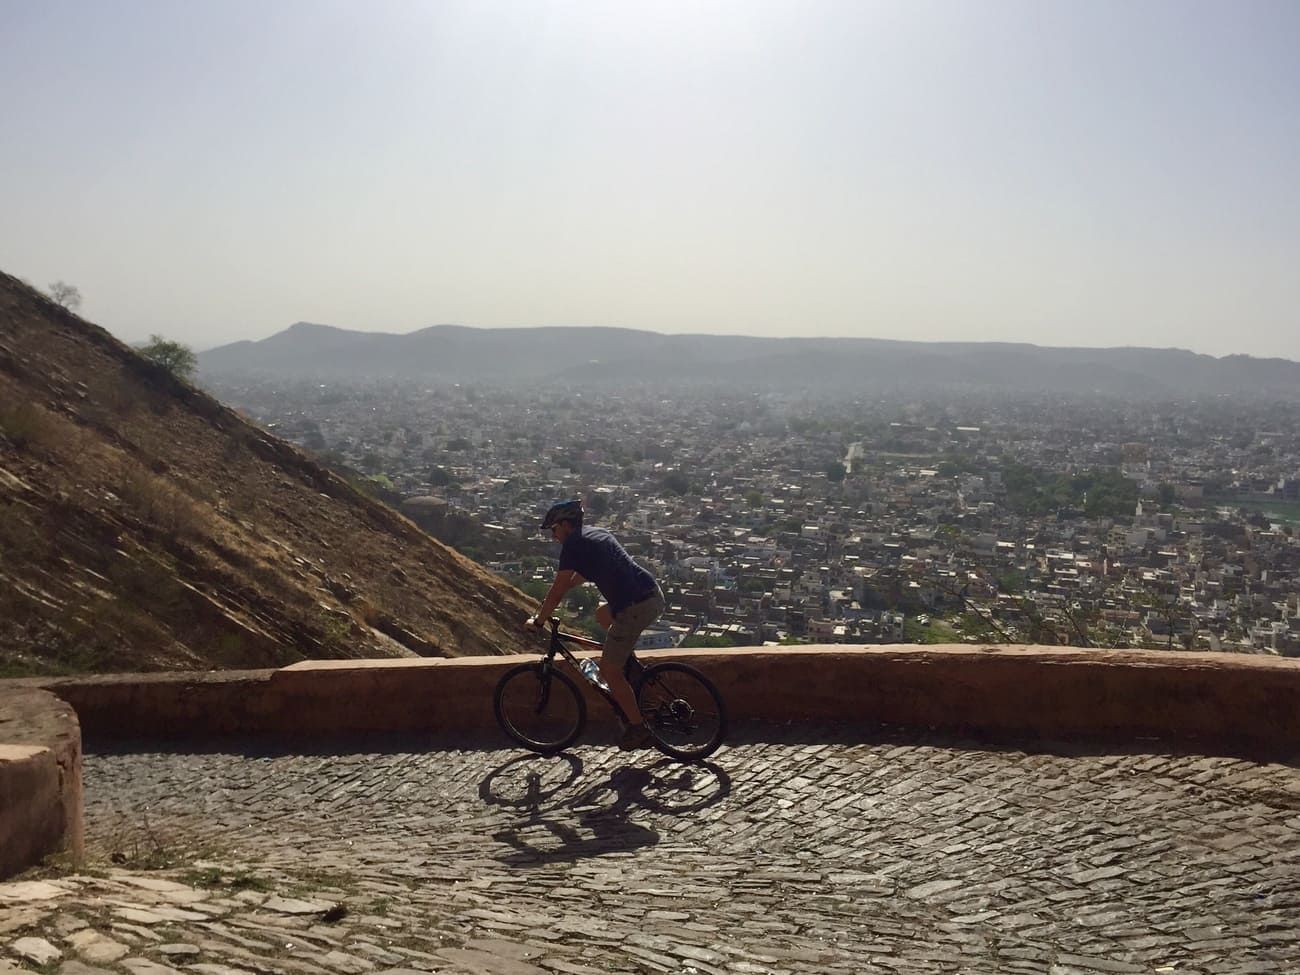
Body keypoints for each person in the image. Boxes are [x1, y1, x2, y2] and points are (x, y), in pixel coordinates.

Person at [526, 499, 665, 750]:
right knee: (602, 615)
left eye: (554, 530)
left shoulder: (573, 545)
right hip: (650, 593)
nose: (553, 536)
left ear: (566, 525)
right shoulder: (596, 534)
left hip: (634, 606)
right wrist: (564, 586)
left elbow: (559, 589)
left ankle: (638, 727)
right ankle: (629, 670)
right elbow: (581, 575)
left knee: (609, 669)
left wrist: (539, 620)